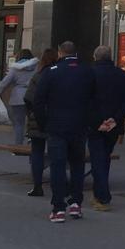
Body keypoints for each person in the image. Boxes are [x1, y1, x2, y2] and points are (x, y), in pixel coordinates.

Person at [30, 41, 95, 223]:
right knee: (77, 165)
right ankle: (76, 203)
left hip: (56, 126)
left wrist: (44, 123)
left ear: (60, 53)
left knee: (57, 166)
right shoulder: (87, 71)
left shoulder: (52, 72)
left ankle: (58, 207)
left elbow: (38, 100)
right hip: (79, 126)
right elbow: (94, 99)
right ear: (75, 53)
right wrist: (89, 121)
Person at [87, 45, 125, 212]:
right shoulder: (123, 76)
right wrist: (116, 118)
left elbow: (86, 100)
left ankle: (102, 195)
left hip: (94, 124)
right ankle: (99, 193)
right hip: (114, 124)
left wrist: (97, 121)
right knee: (104, 156)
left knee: (98, 158)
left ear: (95, 57)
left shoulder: (89, 74)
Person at [23, 48, 58, 198]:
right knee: (56, 152)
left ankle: (37, 186)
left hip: (37, 118)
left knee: (37, 152)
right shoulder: (59, 75)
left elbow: (28, 98)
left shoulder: (38, 76)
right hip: (56, 118)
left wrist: (31, 114)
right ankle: (58, 185)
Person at [0, 49, 40, 147]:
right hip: (33, 96)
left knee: (19, 123)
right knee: (33, 122)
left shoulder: (15, 68)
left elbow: (5, 82)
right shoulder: (37, 67)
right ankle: (32, 143)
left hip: (18, 97)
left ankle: (18, 145)